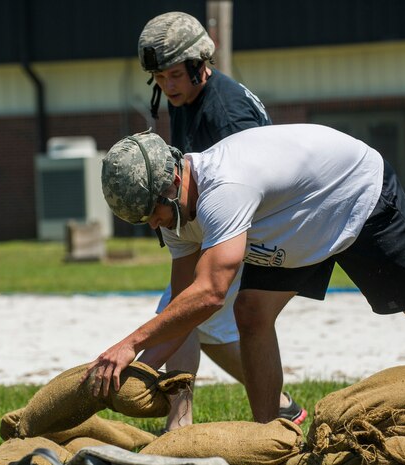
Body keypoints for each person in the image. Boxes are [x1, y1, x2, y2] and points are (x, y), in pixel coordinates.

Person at [88, 125, 405, 465]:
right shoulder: (178, 215)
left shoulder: (224, 190)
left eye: (150, 213)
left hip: (355, 194)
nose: (151, 225)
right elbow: (182, 311)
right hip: (294, 216)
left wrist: (128, 344)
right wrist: (138, 370)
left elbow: (209, 295)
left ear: (169, 185)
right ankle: (269, 443)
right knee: (252, 313)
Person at [134, 11, 306, 431]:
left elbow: (246, 189)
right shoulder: (188, 99)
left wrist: (134, 359)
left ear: (199, 64)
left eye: (175, 74)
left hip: (258, 226)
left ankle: (179, 427)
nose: (167, 85)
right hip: (230, 223)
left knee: (181, 312)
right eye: (160, 77)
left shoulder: (228, 114)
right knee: (208, 329)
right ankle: (282, 405)